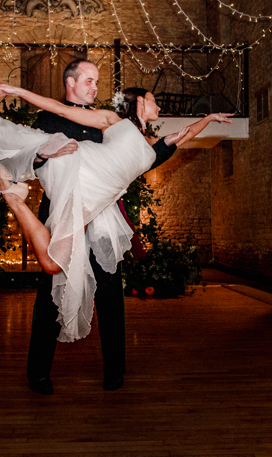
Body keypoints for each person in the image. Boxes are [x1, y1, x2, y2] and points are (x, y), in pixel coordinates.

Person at [0, 83, 231, 346]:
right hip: (79, 165)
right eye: (153, 101)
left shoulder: (157, 145)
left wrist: (210, 117)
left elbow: (188, 132)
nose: (158, 106)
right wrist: (20, 92)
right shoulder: (113, 121)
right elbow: (62, 109)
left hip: (93, 200)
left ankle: (13, 196)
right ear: (138, 103)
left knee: (52, 262)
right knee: (15, 136)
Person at [24, 61, 179, 395]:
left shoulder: (106, 122)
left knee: (109, 293)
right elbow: (27, 161)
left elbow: (137, 158)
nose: (96, 88)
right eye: (89, 81)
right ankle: (38, 372)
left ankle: (114, 370)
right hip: (63, 216)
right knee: (51, 294)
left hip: (104, 220)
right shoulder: (47, 119)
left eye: (97, 82)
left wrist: (170, 143)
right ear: (70, 82)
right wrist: (39, 156)